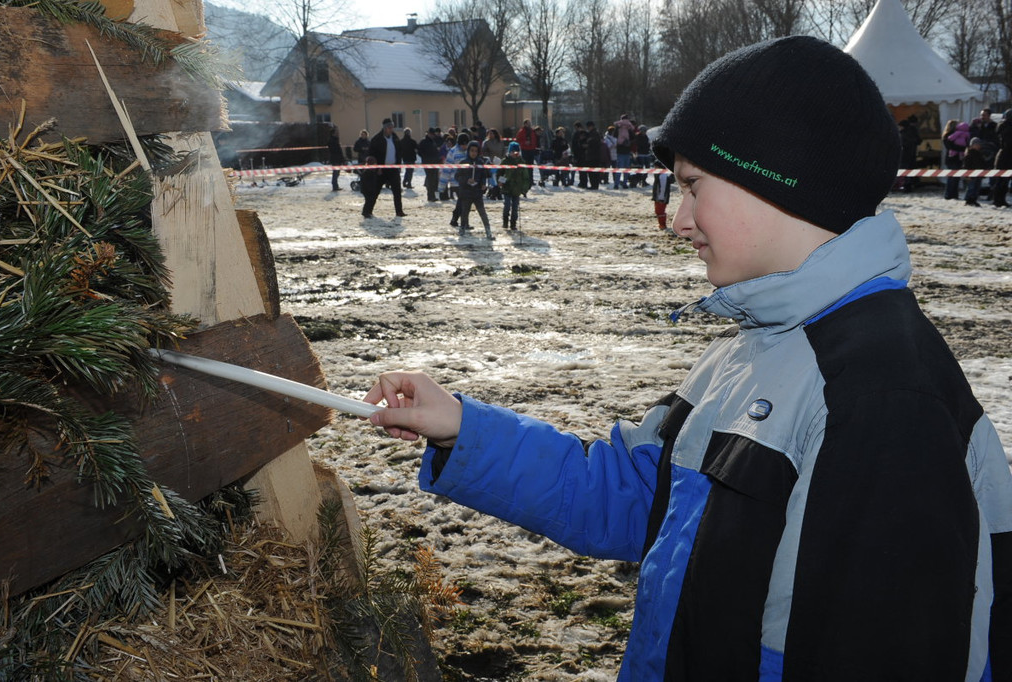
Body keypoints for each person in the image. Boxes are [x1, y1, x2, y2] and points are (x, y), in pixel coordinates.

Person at [362, 35, 1012, 680]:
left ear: (779, 180)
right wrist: (462, 427)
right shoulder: (751, 350)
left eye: (694, 187)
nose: (677, 219)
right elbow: (636, 495)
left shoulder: (883, 401)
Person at [362, 118, 406, 219]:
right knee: (375, 191)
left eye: (392, 127)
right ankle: (367, 211)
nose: (391, 129)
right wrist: (377, 167)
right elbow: (371, 154)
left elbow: (399, 151)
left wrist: (398, 165)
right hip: (381, 170)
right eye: (389, 127)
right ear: (385, 128)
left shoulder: (395, 138)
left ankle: (399, 211)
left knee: (397, 191)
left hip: (393, 168)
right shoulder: (377, 139)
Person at [454, 140, 493, 239]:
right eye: (472, 150)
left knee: (482, 212)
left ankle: (488, 231)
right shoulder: (463, 162)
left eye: (476, 151)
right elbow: (457, 176)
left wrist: (483, 184)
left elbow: (484, 175)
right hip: (466, 192)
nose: (474, 153)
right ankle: (462, 229)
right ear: (468, 151)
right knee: (464, 212)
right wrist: (466, 180)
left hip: (477, 192)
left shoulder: (480, 163)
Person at [497, 141, 531, 231]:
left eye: (517, 152)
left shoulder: (521, 162)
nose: (515, 154)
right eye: (513, 152)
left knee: (515, 208)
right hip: (507, 188)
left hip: (517, 189)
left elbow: (526, 177)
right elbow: (499, 173)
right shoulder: (505, 161)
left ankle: (513, 224)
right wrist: (500, 181)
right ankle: (505, 222)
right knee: (507, 206)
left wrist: (524, 189)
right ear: (509, 152)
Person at [440, 133, 471, 227]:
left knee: (462, 202)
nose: (464, 146)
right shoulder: (453, 152)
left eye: (466, 144)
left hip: (467, 181)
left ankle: (455, 219)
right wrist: (442, 185)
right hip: (456, 182)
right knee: (464, 202)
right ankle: (464, 223)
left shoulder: (469, 151)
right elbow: (446, 169)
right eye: (463, 144)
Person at [941, 119, 970, 200]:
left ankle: (953, 194)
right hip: (954, 158)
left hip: (952, 158)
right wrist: (962, 148)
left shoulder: (947, 136)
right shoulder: (949, 136)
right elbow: (951, 147)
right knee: (953, 177)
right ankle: (950, 194)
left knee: (955, 177)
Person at [992, 109, 1012, 208]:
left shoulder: (1003, 126)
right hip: (1006, 157)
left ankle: (1001, 200)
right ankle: (998, 200)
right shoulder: (1007, 128)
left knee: (1004, 181)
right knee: (1001, 181)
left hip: (1005, 156)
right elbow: (1008, 144)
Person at [897, 115, 921, 191]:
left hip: (904, 155)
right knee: (911, 169)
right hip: (912, 153)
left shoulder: (903, 134)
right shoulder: (913, 132)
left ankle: (906, 185)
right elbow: (919, 141)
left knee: (904, 170)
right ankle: (912, 183)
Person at [963, 137, 988, 206]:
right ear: (972, 145)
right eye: (977, 144)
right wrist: (967, 174)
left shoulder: (979, 154)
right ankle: (968, 200)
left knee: (977, 187)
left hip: (979, 174)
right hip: (972, 174)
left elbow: (982, 163)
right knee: (971, 187)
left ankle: (974, 199)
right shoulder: (969, 154)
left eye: (979, 144)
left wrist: (984, 172)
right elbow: (966, 166)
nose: (979, 146)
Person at [418, 130, 441, 202]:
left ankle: (431, 196)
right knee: (430, 180)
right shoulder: (423, 142)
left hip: (434, 163)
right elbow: (419, 152)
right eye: (431, 134)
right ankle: (430, 196)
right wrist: (426, 157)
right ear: (428, 134)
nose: (432, 135)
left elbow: (435, 152)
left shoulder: (433, 141)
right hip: (427, 163)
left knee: (432, 180)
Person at [613, 114, 635, 189]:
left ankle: (617, 184)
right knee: (625, 169)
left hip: (621, 151)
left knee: (620, 168)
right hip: (625, 151)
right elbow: (633, 137)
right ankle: (623, 183)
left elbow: (614, 136)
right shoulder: (628, 127)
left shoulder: (622, 127)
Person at [515, 119, 539, 185]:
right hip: (525, 150)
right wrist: (524, 142)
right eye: (528, 123)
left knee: (531, 166)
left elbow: (535, 139)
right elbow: (518, 140)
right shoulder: (521, 131)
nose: (529, 124)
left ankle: (531, 180)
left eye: (530, 123)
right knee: (525, 166)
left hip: (532, 150)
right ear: (525, 124)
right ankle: (525, 180)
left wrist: (534, 146)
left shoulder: (532, 131)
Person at [651, 159, 672, 229]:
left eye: (655, 167)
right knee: (658, 211)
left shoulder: (663, 175)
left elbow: (663, 187)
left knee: (660, 211)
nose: (654, 168)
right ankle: (661, 224)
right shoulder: (659, 174)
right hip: (658, 196)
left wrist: (661, 197)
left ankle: (663, 225)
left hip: (661, 197)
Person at [326, 124, 346, 191]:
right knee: (336, 173)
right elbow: (336, 150)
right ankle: (335, 186)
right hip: (335, 159)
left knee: (337, 173)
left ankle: (335, 185)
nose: (338, 133)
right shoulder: (332, 141)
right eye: (336, 132)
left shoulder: (335, 140)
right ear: (333, 133)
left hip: (338, 159)